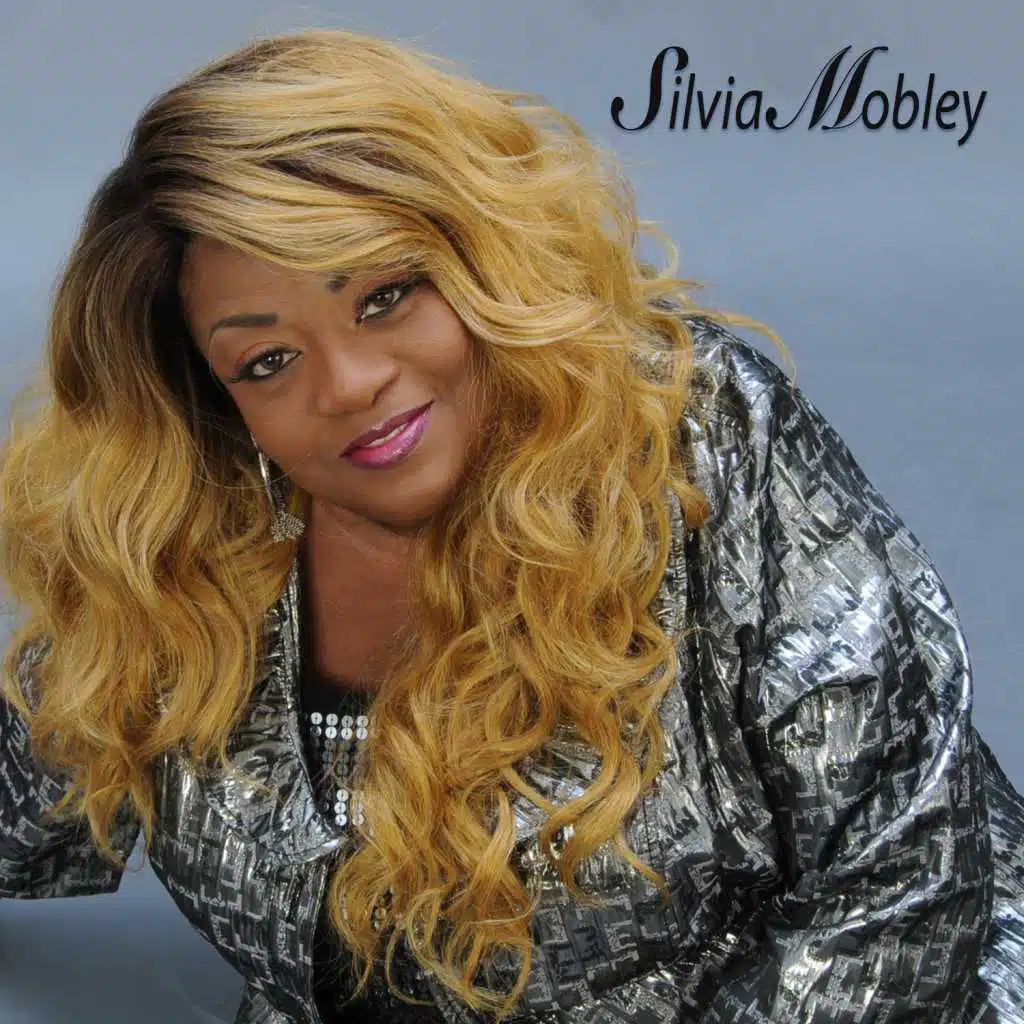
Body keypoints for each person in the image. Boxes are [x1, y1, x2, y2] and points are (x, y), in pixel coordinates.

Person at [0, 26, 1021, 1024]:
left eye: (384, 297)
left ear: (478, 260)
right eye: (267, 361)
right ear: (212, 400)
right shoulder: (189, 549)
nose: (348, 384)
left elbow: (901, 885)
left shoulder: (698, 438)